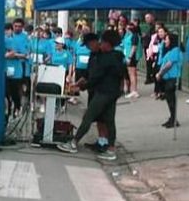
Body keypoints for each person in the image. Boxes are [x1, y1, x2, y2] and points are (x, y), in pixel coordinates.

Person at [59, 30, 127, 161]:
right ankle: (111, 148)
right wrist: (79, 84)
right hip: (110, 92)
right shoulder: (115, 56)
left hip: (104, 92)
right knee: (109, 120)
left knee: (88, 116)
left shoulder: (108, 58)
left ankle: (74, 142)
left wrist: (81, 87)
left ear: (107, 43)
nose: (100, 45)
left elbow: (96, 77)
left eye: (102, 42)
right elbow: (90, 74)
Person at [157, 31, 184, 127]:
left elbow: (169, 64)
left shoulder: (175, 51)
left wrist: (160, 73)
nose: (165, 41)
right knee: (169, 99)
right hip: (168, 78)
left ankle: (173, 119)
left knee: (171, 99)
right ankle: (172, 118)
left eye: (166, 39)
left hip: (173, 78)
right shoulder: (171, 51)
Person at [121, 21, 141, 98]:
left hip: (131, 57)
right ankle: (133, 90)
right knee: (132, 74)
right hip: (129, 56)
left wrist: (129, 57)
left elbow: (134, 47)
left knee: (132, 74)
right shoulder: (130, 36)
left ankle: (134, 91)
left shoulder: (134, 36)